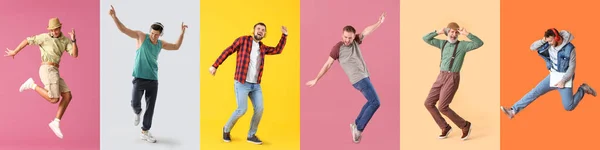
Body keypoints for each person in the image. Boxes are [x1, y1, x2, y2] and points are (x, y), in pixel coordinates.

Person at [109, 5, 188, 143]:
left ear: (160, 34)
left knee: (150, 108)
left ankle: (145, 131)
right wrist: (114, 16)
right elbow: (123, 30)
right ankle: (137, 112)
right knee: (135, 103)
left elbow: (176, 47)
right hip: (139, 78)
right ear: (149, 31)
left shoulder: (160, 44)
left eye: (156, 34)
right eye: (152, 33)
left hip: (153, 80)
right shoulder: (140, 36)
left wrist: (182, 33)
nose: (153, 36)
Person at [305, 13, 385, 143]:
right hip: (358, 79)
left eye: (350, 38)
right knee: (376, 102)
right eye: (345, 37)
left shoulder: (356, 41)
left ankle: (356, 123)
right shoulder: (337, 48)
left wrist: (379, 22)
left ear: (354, 37)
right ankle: (358, 129)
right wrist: (316, 79)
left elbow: (366, 31)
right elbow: (328, 64)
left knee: (371, 102)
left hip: (365, 75)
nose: (347, 40)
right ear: (342, 36)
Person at [209, 22, 288, 145]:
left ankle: (251, 135)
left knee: (260, 108)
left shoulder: (263, 48)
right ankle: (226, 129)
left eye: (263, 30)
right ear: (254, 30)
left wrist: (284, 35)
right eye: (258, 29)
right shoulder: (243, 40)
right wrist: (215, 65)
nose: (260, 31)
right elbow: (228, 50)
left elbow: (277, 50)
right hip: (242, 82)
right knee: (242, 109)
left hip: (255, 85)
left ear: (264, 34)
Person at [4, 17, 78, 139]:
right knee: (54, 99)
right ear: (49, 30)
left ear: (60, 28)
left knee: (67, 95)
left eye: (56, 29)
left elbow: (75, 55)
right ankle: (32, 84)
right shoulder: (44, 37)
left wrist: (73, 40)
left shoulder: (65, 40)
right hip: (47, 68)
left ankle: (56, 122)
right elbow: (28, 40)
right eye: (52, 30)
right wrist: (15, 52)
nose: (54, 32)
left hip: (55, 70)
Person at [500, 28, 596, 119]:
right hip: (553, 76)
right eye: (548, 41)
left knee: (569, 107)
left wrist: (563, 81)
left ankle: (583, 89)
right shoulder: (548, 43)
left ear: (557, 38)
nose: (549, 43)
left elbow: (572, 68)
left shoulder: (570, 49)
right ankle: (513, 111)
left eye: (550, 41)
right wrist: (543, 40)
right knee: (535, 92)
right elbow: (532, 47)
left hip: (565, 77)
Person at [422, 22, 484, 141]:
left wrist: (467, 34)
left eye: (456, 32)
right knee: (428, 103)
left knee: (443, 107)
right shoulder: (442, 43)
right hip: (441, 76)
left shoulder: (463, 46)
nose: (453, 34)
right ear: (447, 32)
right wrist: (438, 32)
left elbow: (479, 43)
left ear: (458, 34)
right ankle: (445, 127)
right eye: (451, 31)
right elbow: (425, 38)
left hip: (452, 77)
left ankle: (465, 125)